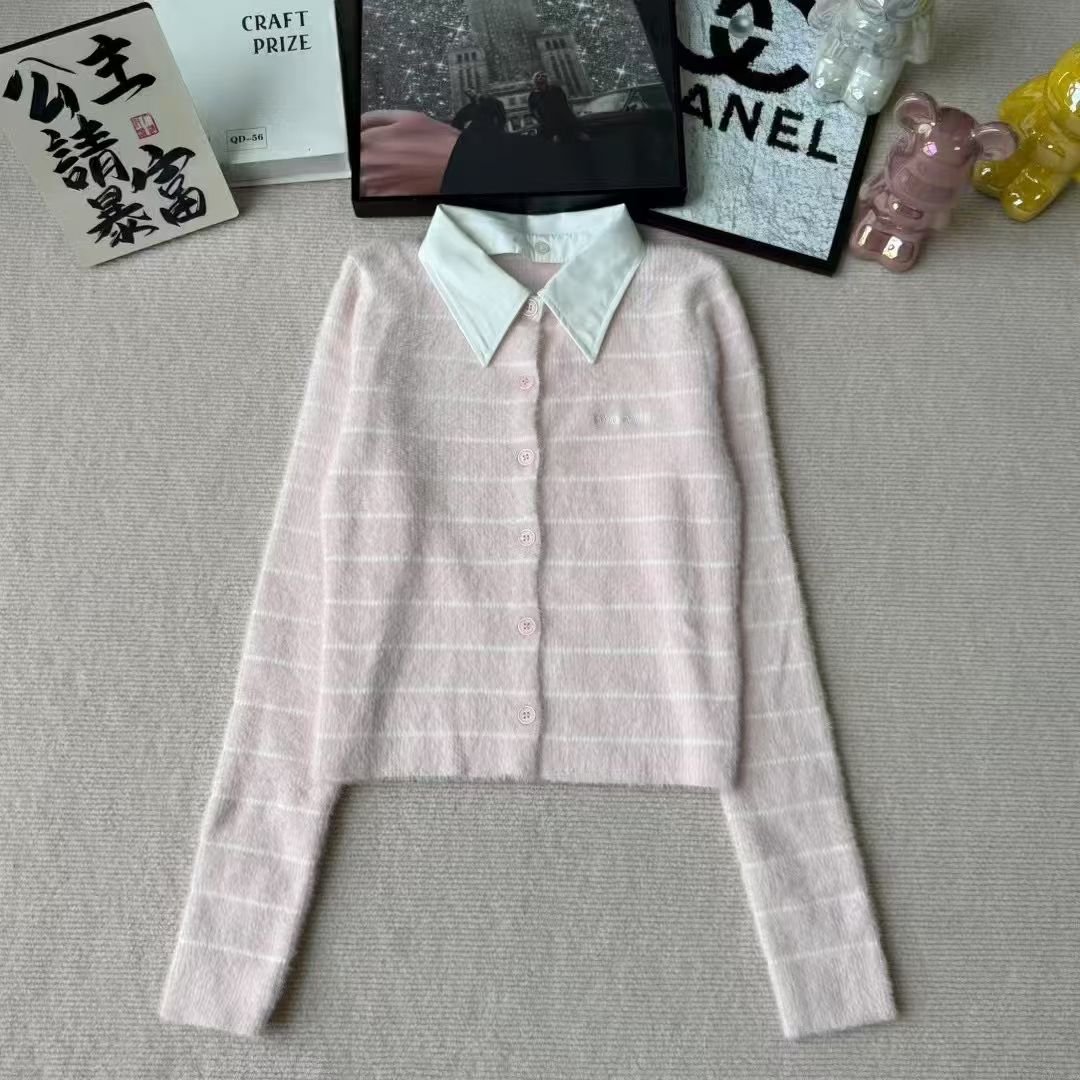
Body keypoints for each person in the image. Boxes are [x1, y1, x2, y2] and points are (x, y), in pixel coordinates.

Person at [526, 71, 588, 142]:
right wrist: (541, 122)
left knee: (583, 139)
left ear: (546, 78)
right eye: (538, 76)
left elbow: (565, 103)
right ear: (534, 80)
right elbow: (532, 111)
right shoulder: (533, 95)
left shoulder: (556, 89)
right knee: (559, 144)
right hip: (551, 126)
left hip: (567, 121)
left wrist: (572, 118)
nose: (540, 77)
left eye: (543, 75)